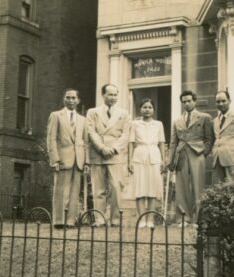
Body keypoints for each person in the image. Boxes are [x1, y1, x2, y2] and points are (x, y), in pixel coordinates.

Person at [86, 83, 131, 227]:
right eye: (110, 94)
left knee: (116, 188)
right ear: (103, 95)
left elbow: (126, 134)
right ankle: (99, 219)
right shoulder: (92, 112)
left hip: (114, 155)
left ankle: (115, 220)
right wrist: (101, 148)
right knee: (98, 189)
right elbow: (91, 132)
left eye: (115, 94)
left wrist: (113, 148)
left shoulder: (124, 113)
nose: (113, 97)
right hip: (98, 154)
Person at [168, 90, 214, 227]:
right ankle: (183, 218)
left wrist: (203, 153)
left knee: (198, 185)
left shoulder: (204, 117)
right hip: (181, 154)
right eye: (184, 101)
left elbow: (209, 138)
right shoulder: (177, 121)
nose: (187, 103)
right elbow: (173, 142)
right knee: (181, 187)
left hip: (197, 153)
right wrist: (171, 161)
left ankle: (197, 218)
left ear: (194, 101)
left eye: (189, 101)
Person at [47, 89, 89, 229]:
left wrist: (86, 161)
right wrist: (55, 159)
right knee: (61, 190)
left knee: (75, 191)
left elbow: (86, 142)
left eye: (73, 98)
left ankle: (70, 221)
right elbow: (51, 138)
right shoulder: (56, 115)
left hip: (78, 159)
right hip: (62, 159)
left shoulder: (83, 119)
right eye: (68, 97)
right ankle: (59, 221)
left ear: (78, 101)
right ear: (64, 99)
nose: (71, 100)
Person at [128, 99, 165, 228]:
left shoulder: (159, 124)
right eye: (144, 107)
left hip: (154, 156)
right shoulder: (135, 124)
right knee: (140, 189)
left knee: (152, 189)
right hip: (139, 156)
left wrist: (163, 160)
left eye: (150, 107)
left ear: (153, 110)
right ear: (140, 109)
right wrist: (130, 161)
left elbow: (161, 143)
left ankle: (150, 220)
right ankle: (141, 219)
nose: (147, 109)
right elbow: (131, 143)